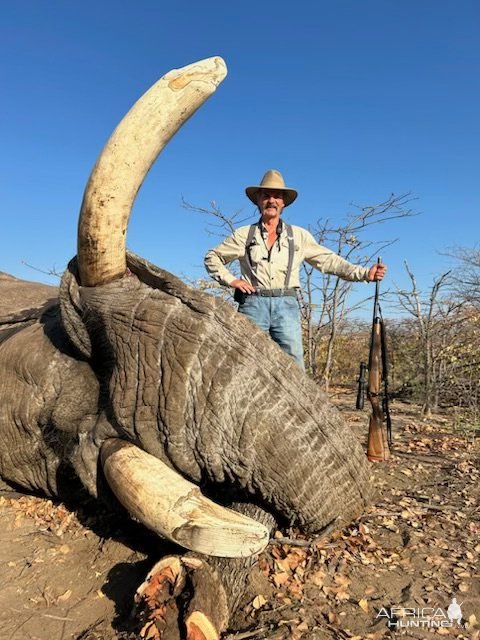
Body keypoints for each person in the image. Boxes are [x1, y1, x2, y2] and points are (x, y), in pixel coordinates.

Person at [204, 169, 386, 369]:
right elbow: (212, 258)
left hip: (286, 305)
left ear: (283, 203)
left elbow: (328, 260)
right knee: (243, 362)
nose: (271, 200)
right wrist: (232, 280)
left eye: (277, 196)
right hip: (253, 304)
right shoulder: (244, 234)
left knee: (294, 365)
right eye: (266, 195)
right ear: (258, 200)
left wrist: (363, 274)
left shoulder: (298, 235)